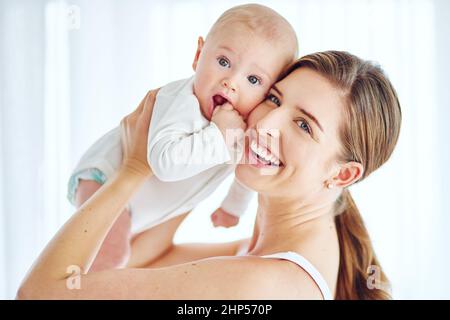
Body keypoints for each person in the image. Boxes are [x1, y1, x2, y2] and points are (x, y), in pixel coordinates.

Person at [17, 51, 401, 299]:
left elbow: (40, 294)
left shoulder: (263, 285)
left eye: (303, 126)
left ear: (343, 174)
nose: (267, 122)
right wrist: (205, 150)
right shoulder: (255, 257)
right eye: (274, 98)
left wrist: (133, 170)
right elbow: (142, 258)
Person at [67, 4, 298, 271]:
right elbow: (164, 163)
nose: (231, 81)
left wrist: (233, 206)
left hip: (144, 208)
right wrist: (219, 136)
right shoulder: (180, 102)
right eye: (223, 62)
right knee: (110, 257)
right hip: (105, 179)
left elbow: (248, 167)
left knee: (130, 261)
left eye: (254, 79)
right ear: (199, 55)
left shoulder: (243, 126)